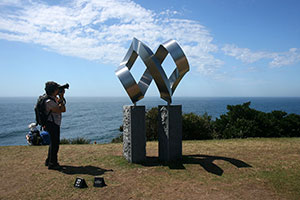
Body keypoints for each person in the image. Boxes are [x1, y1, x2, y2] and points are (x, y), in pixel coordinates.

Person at [44, 81, 66, 170]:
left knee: (53, 143)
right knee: (55, 144)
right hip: (52, 124)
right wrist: (61, 97)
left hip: (52, 123)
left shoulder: (51, 98)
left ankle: (48, 160)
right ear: (53, 90)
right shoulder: (49, 101)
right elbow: (62, 109)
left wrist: (60, 97)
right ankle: (53, 163)